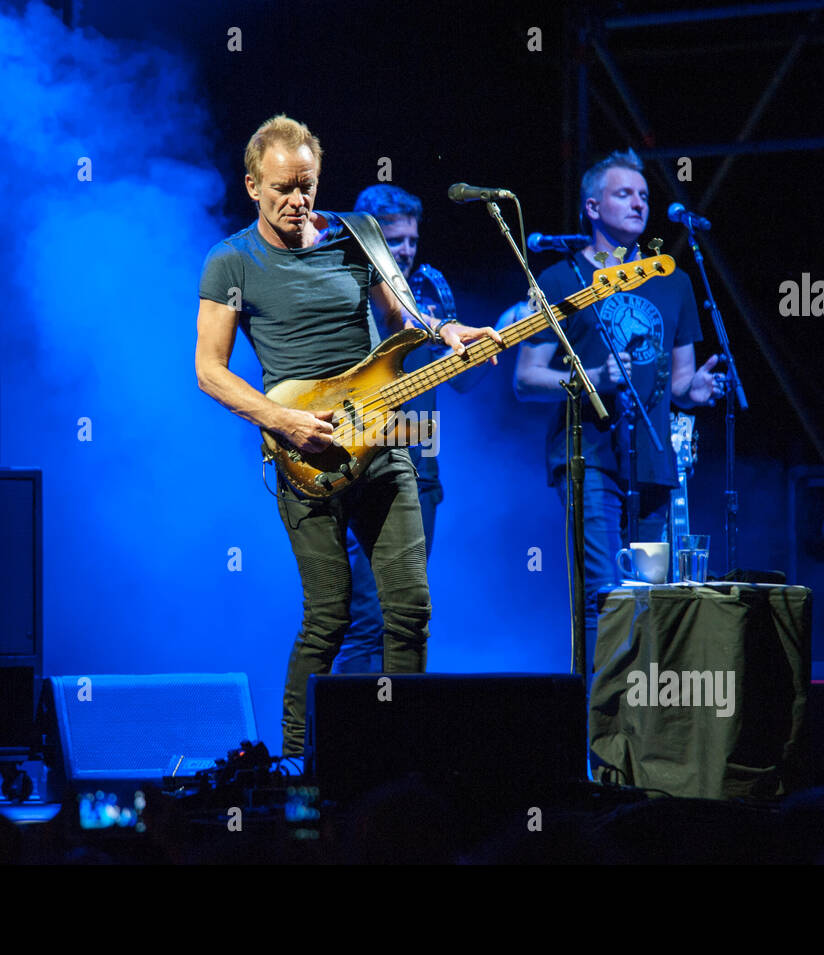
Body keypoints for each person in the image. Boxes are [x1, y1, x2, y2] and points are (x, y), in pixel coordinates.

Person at [195, 115, 502, 755]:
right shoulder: (230, 261)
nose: (296, 200)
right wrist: (283, 421)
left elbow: (401, 315)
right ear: (252, 185)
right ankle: (296, 763)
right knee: (329, 618)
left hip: (382, 441)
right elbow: (209, 371)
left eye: (305, 185)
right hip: (303, 454)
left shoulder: (358, 235)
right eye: (280, 187)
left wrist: (445, 333)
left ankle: (401, 755)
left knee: (411, 609)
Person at [510, 148, 724, 642]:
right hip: (588, 457)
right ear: (592, 207)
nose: (638, 204)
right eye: (624, 193)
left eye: (644, 195)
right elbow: (526, 378)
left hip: (653, 460)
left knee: (648, 599)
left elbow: (679, 384)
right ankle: (598, 716)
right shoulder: (562, 278)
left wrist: (699, 389)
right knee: (605, 595)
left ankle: (642, 711)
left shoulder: (673, 280)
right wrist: (593, 378)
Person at [333, 184, 488, 673]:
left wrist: (495, 342)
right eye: (394, 241)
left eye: (411, 241)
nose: (405, 251)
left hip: (421, 461)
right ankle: (340, 739)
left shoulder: (432, 283)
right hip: (363, 462)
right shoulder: (345, 281)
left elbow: (464, 382)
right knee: (365, 615)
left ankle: (400, 732)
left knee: (409, 614)